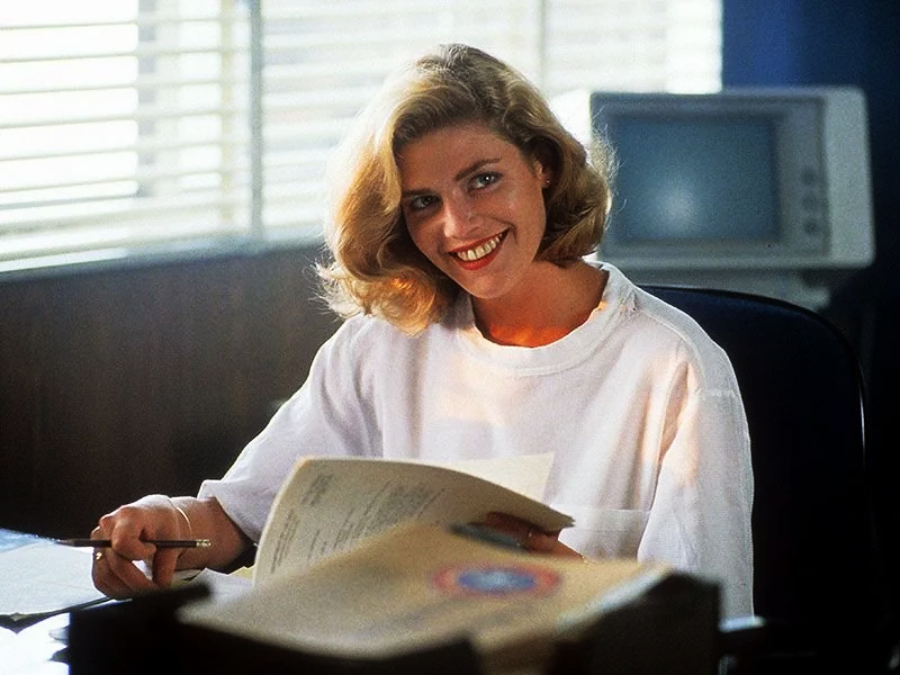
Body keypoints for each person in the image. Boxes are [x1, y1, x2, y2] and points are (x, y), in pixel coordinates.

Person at [90, 44, 754, 618]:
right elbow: (238, 519)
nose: (458, 225)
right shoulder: (381, 346)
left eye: (483, 180)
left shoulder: (676, 367)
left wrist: (575, 589)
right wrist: (164, 526)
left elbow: (707, 634)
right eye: (422, 202)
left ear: (543, 166)